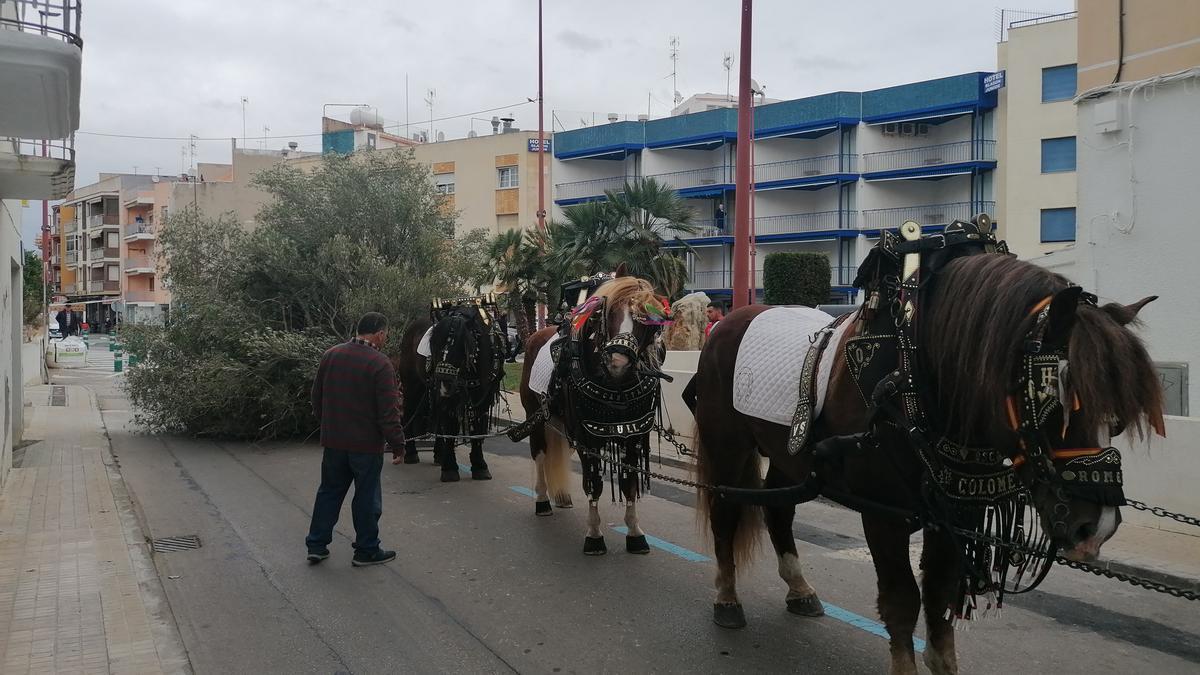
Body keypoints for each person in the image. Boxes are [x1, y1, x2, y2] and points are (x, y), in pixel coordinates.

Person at [305, 312, 406, 566]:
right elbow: (388, 412)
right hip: (365, 446)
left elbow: (316, 397)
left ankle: (316, 545)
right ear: (380, 333)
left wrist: (329, 425)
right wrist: (398, 444)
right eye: (386, 335)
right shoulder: (380, 364)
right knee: (366, 496)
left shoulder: (332, 355)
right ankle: (367, 549)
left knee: (328, 492)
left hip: (334, 442)